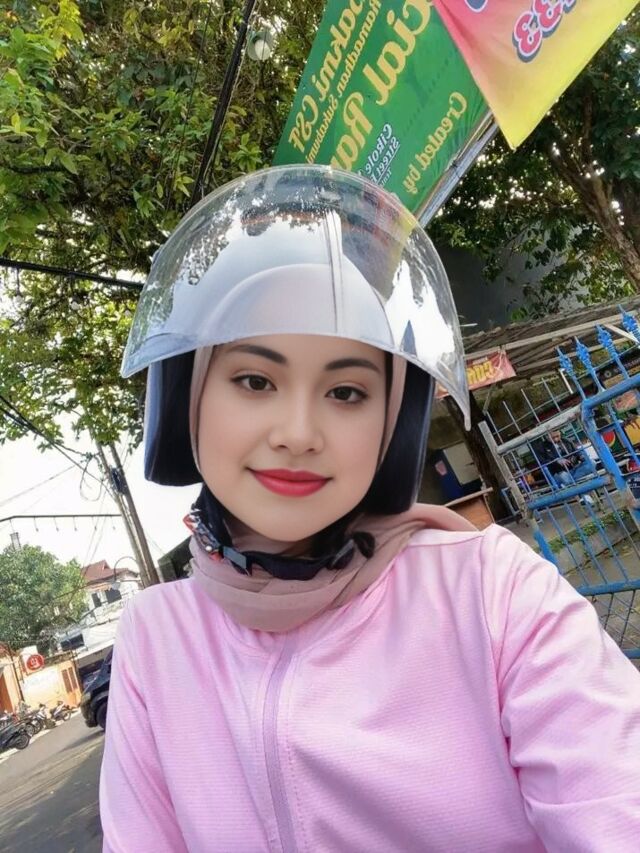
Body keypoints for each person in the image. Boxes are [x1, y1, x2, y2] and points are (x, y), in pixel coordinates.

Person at [100, 165, 640, 852]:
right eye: (255, 380)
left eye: (346, 392)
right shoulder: (156, 640)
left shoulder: (493, 592)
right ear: (186, 402)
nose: (298, 432)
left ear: (394, 427)